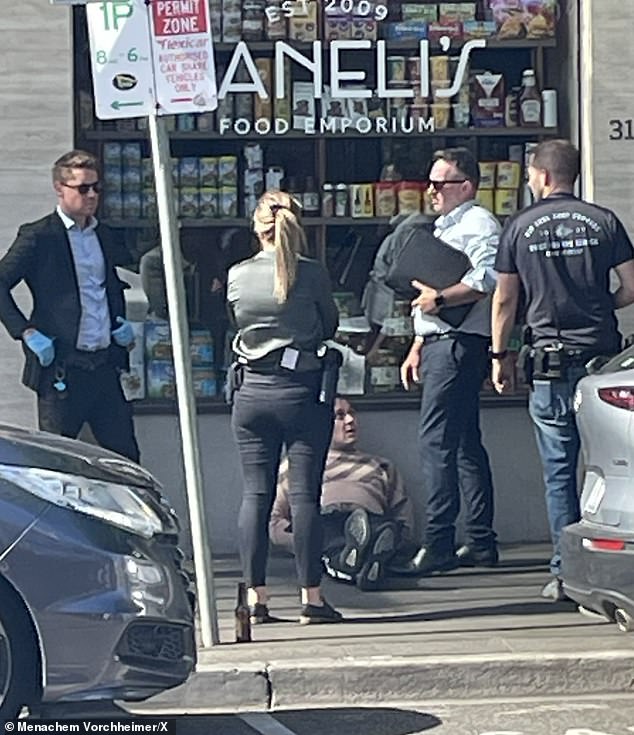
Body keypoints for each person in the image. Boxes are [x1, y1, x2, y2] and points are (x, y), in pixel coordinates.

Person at [491, 139, 634, 600]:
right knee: (609, 466)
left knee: (558, 471)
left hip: (549, 362)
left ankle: (565, 571)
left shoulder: (519, 226)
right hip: (600, 363)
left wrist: (500, 356)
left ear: (544, 176)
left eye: (532, 175)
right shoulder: (604, 221)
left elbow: (506, 298)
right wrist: (600, 307)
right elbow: (633, 286)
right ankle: (612, 566)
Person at [227, 189, 343, 625]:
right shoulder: (311, 274)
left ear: (257, 229)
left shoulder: (238, 275)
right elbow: (328, 324)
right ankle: (312, 598)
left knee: (255, 494)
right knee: (304, 497)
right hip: (300, 390)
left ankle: (255, 599)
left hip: (250, 392)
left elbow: (233, 320)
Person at [397, 147, 500, 575]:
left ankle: (439, 542)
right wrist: (419, 341)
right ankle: (478, 540)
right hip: (447, 341)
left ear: (467, 186)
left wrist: (438, 300)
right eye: (431, 182)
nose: (432, 191)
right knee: (462, 444)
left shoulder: (478, 223)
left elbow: (487, 278)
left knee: (436, 442)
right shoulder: (449, 224)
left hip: (458, 342)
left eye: (441, 183)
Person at [0, 150, 140, 461]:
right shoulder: (39, 235)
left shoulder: (102, 233)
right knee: (57, 462)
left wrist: (120, 322)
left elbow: (108, 285)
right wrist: (25, 331)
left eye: (96, 188)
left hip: (103, 366)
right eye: (83, 188)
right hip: (63, 367)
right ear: (60, 188)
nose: (92, 196)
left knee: (126, 458)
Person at [270, 396, 417, 590]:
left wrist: (401, 539)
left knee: (383, 529)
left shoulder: (381, 465)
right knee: (326, 530)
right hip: (326, 520)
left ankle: (361, 558)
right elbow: (273, 521)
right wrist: (304, 542)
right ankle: (359, 561)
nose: (350, 421)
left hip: (371, 520)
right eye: (340, 416)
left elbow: (403, 515)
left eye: (352, 414)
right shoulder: (297, 465)